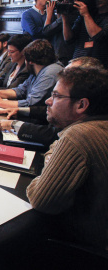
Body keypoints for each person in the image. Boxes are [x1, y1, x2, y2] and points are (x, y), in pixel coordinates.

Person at [26, 66, 108, 251]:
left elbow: (41, 200)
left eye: (56, 96)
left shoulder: (78, 136)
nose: (48, 101)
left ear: (81, 105)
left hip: (87, 247)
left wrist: (47, 167)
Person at [0, 56, 103, 146]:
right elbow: (47, 110)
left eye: (71, 74)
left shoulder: (80, 134)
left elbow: (53, 134)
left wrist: (15, 124)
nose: (48, 101)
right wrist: (19, 110)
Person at [0, 39, 64, 108]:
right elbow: (21, 90)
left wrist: (0, 102)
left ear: (30, 61)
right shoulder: (36, 70)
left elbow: (32, 103)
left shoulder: (50, 72)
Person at [62, 0, 108, 68]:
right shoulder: (88, 14)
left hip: (98, 66)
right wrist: (65, 18)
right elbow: (69, 39)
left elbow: (98, 36)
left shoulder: (87, 15)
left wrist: (86, 15)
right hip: (78, 63)